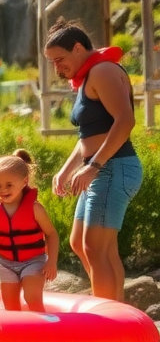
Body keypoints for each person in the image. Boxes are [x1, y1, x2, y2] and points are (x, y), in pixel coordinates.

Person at [46, 21, 142, 300]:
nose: (57, 68)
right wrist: (66, 170)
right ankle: (115, 310)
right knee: (81, 243)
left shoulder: (103, 71)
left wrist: (94, 166)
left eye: (60, 60)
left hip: (112, 167)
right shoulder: (88, 77)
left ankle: (108, 321)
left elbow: (125, 122)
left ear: (78, 48)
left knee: (95, 248)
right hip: (100, 169)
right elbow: (89, 135)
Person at [0, 149, 59, 311]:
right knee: (10, 307)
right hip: (5, 264)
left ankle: (42, 333)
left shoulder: (35, 208)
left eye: (9, 185)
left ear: (24, 181)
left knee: (32, 298)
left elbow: (51, 234)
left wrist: (51, 261)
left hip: (33, 261)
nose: (3, 190)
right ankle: (18, 336)